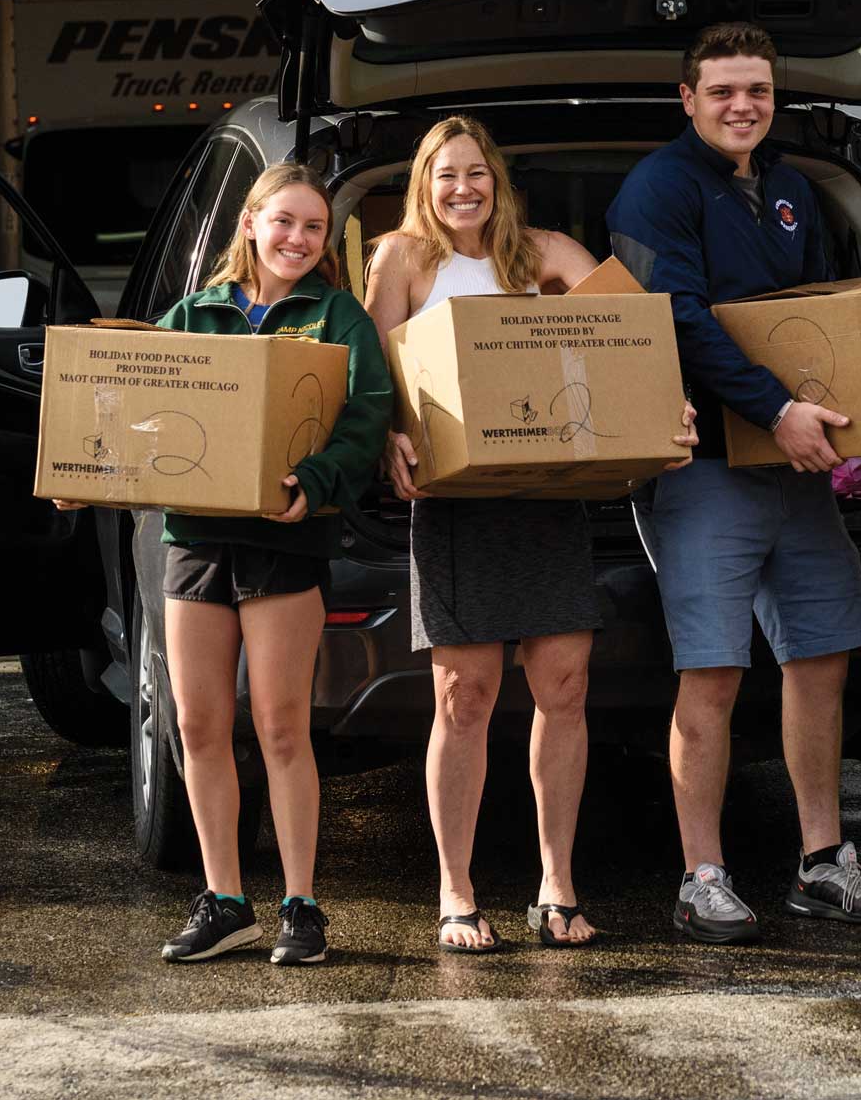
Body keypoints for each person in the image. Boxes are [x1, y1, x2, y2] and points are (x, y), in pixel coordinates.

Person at [365, 114, 698, 953]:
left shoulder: (544, 252)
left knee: (565, 686)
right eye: (446, 175)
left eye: (477, 172)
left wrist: (666, 405)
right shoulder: (401, 258)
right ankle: (456, 888)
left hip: (546, 498)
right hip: (453, 503)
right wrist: (385, 437)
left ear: (498, 180)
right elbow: (372, 371)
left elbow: (630, 336)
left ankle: (556, 883)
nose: (463, 189)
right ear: (423, 184)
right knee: (464, 695)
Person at [606, 21, 861, 945]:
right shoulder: (657, 189)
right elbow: (680, 322)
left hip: (799, 466)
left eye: (758, 92)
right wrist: (778, 409)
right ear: (687, 99)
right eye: (725, 91)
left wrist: (851, 420)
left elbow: (816, 318)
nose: (744, 106)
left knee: (820, 656)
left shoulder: (790, 189)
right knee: (714, 669)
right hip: (704, 467)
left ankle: (822, 862)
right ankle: (703, 874)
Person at [57, 162, 394, 967]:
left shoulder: (339, 316)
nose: (298, 239)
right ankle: (226, 900)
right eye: (284, 221)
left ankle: (302, 906)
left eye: (313, 227)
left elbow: (367, 417)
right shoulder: (192, 314)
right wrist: (84, 470)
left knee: (281, 727)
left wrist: (314, 485)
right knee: (198, 724)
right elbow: (144, 413)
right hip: (198, 541)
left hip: (285, 540)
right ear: (251, 223)